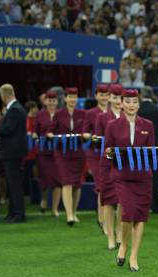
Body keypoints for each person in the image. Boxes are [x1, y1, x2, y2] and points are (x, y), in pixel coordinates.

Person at [104, 89, 154, 272]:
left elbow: (151, 151)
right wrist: (108, 154)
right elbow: (107, 150)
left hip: (143, 178)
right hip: (122, 177)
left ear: (138, 104)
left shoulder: (148, 125)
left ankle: (134, 255)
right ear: (122, 103)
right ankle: (123, 245)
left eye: (135, 102)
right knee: (127, 213)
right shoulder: (112, 125)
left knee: (141, 216)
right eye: (128, 101)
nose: (132, 105)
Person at [47, 87, 86, 226]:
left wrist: (86, 135)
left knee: (77, 184)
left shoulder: (83, 113)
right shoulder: (58, 114)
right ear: (65, 99)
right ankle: (69, 215)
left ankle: (73, 212)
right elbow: (50, 131)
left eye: (75, 97)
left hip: (78, 154)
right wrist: (51, 135)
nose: (72, 100)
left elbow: (86, 131)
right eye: (70, 97)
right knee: (66, 182)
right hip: (62, 153)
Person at [0, 84, 27, 223]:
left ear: (3, 95)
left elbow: (7, 129)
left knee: (14, 185)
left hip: (12, 153)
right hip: (13, 152)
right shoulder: (15, 108)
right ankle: (13, 213)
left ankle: (18, 214)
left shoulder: (15, 110)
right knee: (13, 184)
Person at [96, 84, 123, 250]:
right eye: (114, 97)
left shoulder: (130, 118)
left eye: (120, 98)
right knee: (107, 199)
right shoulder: (102, 118)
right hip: (107, 162)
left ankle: (119, 232)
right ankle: (110, 236)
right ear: (110, 99)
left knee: (121, 200)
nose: (117, 101)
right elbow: (100, 142)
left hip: (124, 164)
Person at [82, 84, 110, 231]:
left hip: (111, 155)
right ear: (96, 96)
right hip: (95, 154)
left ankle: (108, 219)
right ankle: (102, 221)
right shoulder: (91, 113)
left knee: (110, 186)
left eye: (106, 94)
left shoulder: (115, 112)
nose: (104, 97)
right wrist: (92, 137)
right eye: (101, 94)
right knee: (102, 186)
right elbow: (84, 133)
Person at [138, 86, 158, 214]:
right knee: (153, 177)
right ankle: (155, 206)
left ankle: (140, 204)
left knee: (138, 176)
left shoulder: (137, 110)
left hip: (138, 148)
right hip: (154, 148)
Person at [34, 90, 62, 217]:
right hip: (43, 152)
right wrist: (42, 136)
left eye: (54, 101)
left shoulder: (61, 114)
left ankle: (55, 209)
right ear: (45, 101)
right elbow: (36, 132)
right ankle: (44, 199)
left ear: (57, 102)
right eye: (49, 100)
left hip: (58, 152)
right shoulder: (40, 115)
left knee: (58, 181)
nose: (51, 103)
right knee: (45, 181)